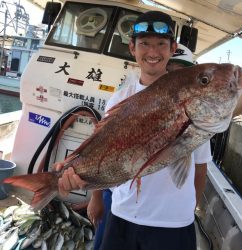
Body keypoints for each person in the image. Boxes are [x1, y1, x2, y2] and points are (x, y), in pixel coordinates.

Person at [57, 11, 212, 250]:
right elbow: (102, 152)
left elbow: (200, 168)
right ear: (132, 48)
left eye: (161, 44)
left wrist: (186, 209)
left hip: (173, 224)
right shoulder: (120, 99)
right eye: (144, 44)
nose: (153, 52)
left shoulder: (192, 101)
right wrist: (94, 195)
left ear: (172, 49)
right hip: (122, 215)